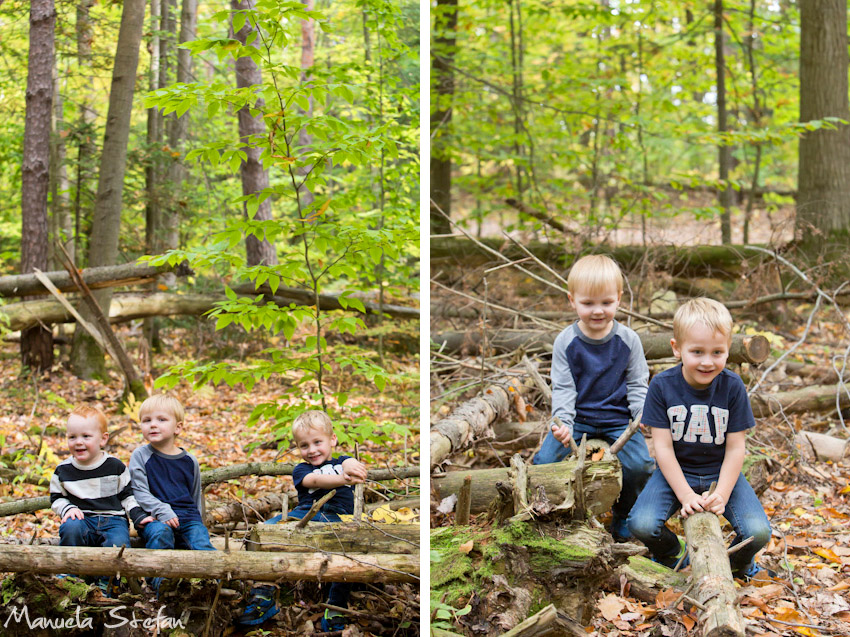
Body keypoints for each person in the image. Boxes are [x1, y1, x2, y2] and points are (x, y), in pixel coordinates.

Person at [627, 298, 772, 579]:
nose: (707, 361)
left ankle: (735, 564)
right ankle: (673, 552)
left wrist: (722, 494)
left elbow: (735, 448)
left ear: (729, 350)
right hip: (676, 473)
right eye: (697, 352)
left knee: (758, 532)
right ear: (676, 348)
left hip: (720, 473)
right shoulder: (661, 386)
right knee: (641, 524)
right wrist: (684, 495)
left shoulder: (732, 387)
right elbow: (663, 449)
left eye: (717, 352)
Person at [532, 254, 654, 541]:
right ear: (572, 300)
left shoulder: (628, 340)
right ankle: (544, 511)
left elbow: (638, 383)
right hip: (578, 419)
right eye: (588, 303)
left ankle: (624, 514)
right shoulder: (566, 341)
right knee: (546, 460)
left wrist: (640, 414)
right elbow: (563, 388)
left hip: (618, 420)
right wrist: (561, 422)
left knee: (640, 466)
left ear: (619, 299)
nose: (598, 311)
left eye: (606, 303)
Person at [237, 410, 368, 629]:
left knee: (347, 556)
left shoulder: (342, 461)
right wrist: (342, 479)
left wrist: (349, 466)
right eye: (304, 445)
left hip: (342, 517)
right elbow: (315, 480)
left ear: (332, 439)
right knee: (267, 531)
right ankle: (263, 594)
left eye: (318, 442)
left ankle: (335, 607)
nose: (312, 450)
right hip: (307, 514)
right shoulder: (302, 469)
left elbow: (351, 463)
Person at [50, 405, 152, 593]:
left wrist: (137, 516)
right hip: (83, 518)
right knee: (70, 527)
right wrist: (67, 509)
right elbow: (56, 498)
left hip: (113, 520)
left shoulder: (115, 466)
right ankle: (69, 573)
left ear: (103, 439)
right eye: (72, 437)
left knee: (118, 542)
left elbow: (127, 496)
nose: (78, 442)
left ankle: (108, 581)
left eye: (86, 436)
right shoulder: (63, 470)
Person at [129, 394, 215, 592]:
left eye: (161, 420)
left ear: (178, 427)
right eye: (146, 420)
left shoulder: (189, 461)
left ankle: (211, 582)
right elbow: (139, 492)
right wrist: (162, 510)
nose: (153, 425)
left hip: (187, 517)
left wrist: (198, 523)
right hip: (155, 518)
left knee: (200, 540)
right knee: (161, 534)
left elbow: (194, 496)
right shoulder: (141, 456)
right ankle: (160, 581)